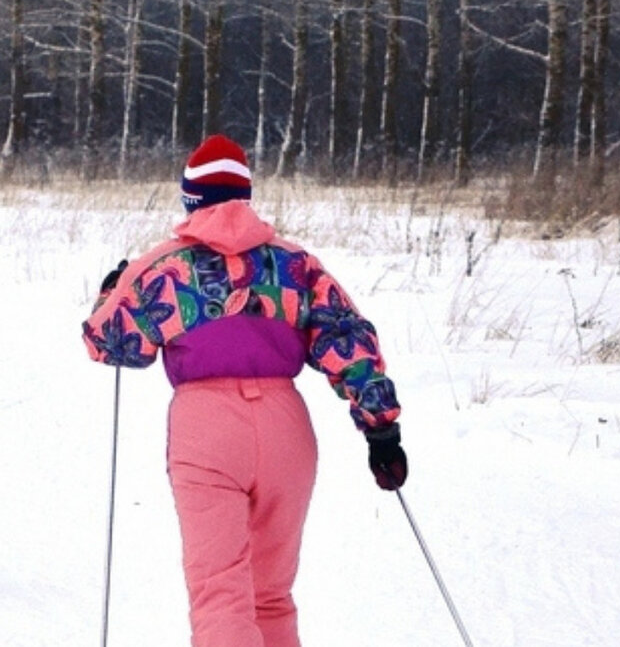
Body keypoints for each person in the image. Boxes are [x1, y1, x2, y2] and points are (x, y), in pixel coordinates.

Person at [83, 134, 409, 647]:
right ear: (245, 194)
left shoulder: (165, 267)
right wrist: (381, 428)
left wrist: (112, 290)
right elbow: (347, 339)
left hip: (206, 426)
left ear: (191, 199)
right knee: (271, 593)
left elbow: (108, 342)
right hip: (285, 426)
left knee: (221, 595)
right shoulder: (296, 264)